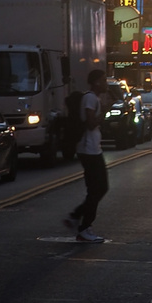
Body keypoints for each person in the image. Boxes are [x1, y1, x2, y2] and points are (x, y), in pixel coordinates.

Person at [64, 68, 109, 243]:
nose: (106, 83)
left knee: (100, 188)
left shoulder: (94, 98)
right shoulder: (90, 98)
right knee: (96, 189)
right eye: (104, 80)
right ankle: (84, 228)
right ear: (97, 82)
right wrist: (103, 112)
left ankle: (76, 217)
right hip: (88, 150)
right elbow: (90, 123)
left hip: (93, 149)